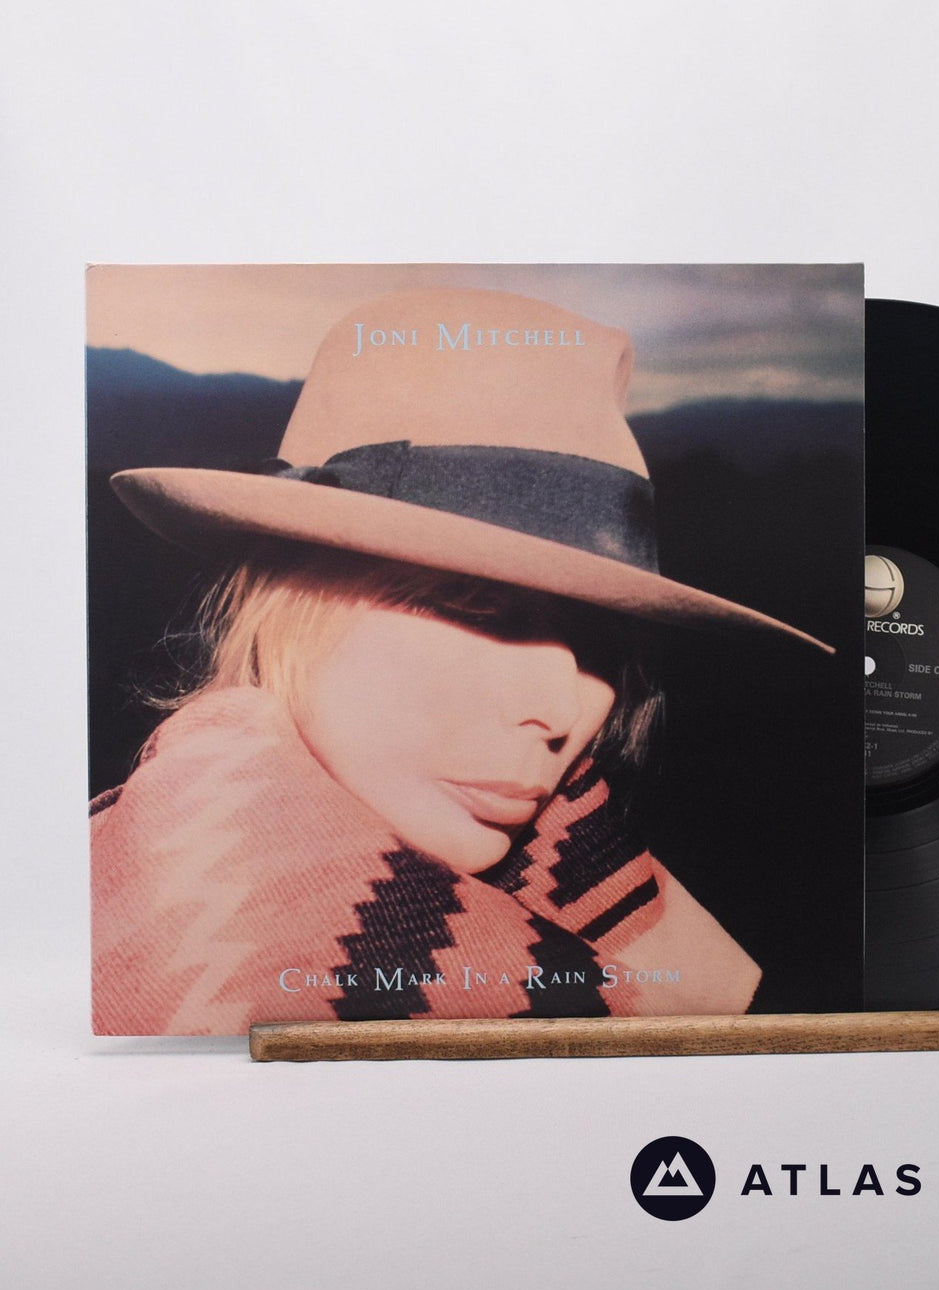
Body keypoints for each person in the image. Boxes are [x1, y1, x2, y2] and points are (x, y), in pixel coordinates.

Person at [90, 286, 831, 1035]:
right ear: (290, 600)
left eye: (601, 643)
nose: (561, 711)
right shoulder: (124, 957)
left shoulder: (600, 890)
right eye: (477, 608)